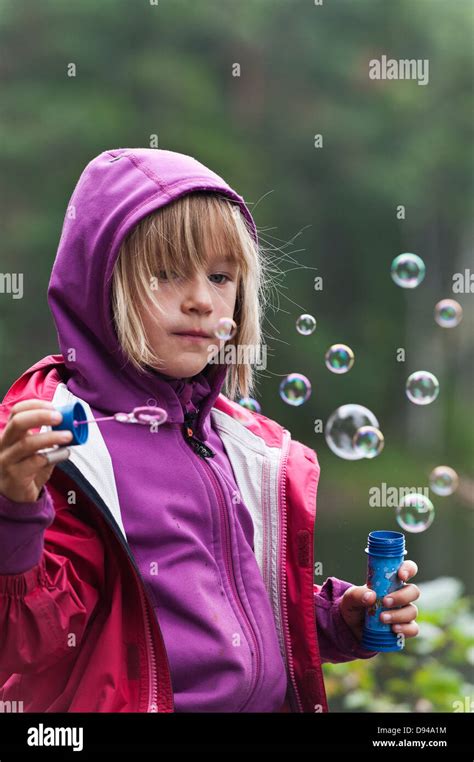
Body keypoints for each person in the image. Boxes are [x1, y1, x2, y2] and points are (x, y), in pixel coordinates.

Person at [0, 148, 420, 712]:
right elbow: (27, 638)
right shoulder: (69, 443)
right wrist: (12, 509)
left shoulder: (229, 441)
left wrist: (336, 619)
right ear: (100, 283)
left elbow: (233, 619)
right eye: (167, 273)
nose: (201, 299)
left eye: (221, 276)